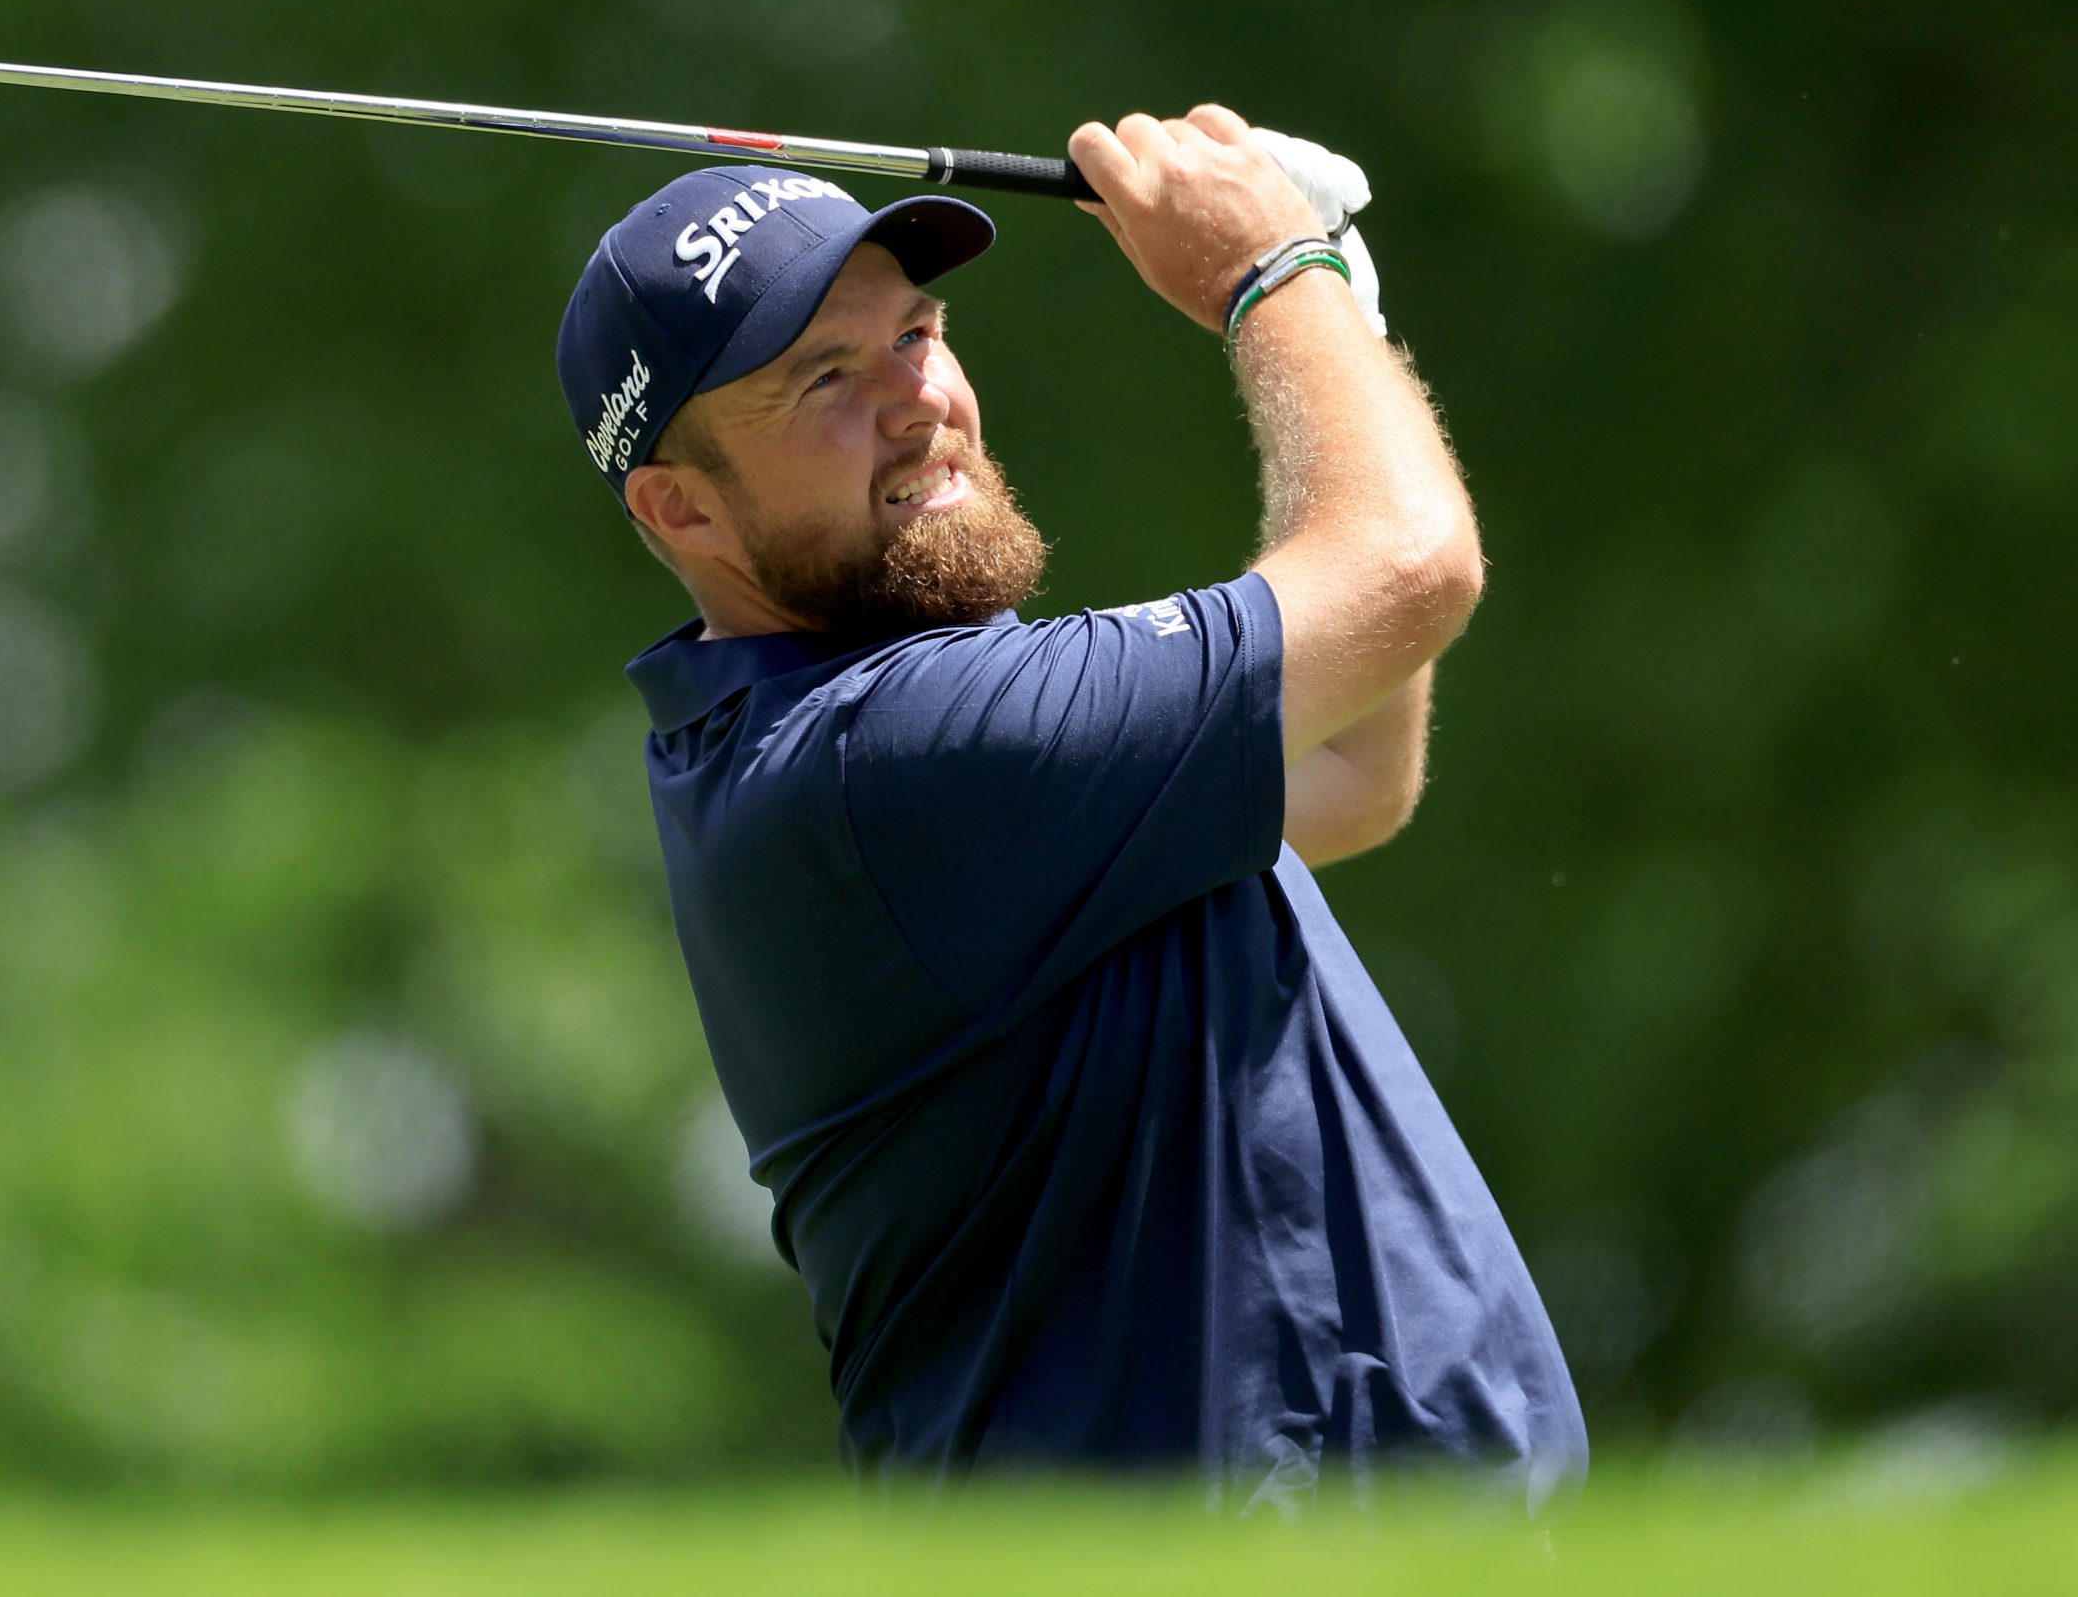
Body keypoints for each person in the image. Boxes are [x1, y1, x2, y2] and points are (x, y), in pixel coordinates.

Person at [552, 107, 1586, 1509]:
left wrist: (1343, 302)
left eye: (918, 333)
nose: (920, 398)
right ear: (683, 512)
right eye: (825, 378)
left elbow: (1351, 770)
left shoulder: (836, 738)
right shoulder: (887, 754)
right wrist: (1274, 279)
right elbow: (1408, 571)